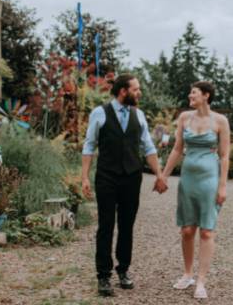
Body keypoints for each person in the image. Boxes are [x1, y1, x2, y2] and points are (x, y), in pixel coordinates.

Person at [81, 73, 168, 297]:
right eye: (136, 89)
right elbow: (89, 146)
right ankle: (103, 276)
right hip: (107, 177)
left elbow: (148, 148)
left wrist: (159, 174)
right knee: (106, 226)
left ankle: (123, 270)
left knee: (127, 226)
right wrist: (83, 178)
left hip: (131, 177)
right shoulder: (99, 113)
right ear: (123, 91)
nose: (139, 93)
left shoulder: (138, 115)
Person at [161, 81, 230, 300]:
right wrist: (163, 175)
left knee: (207, 230)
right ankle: (187, 274)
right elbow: (177, 149)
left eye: (194, 92)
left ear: (206, 96)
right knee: (187, 230)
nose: (190, 95)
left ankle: (201, 281)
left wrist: (223, 185)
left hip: (209, 178)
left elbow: (225, 155)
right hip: (188, 178)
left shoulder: (220, 121)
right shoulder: (184, 118)